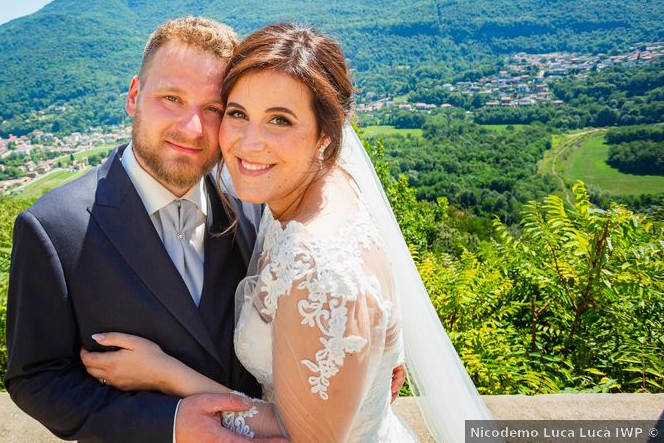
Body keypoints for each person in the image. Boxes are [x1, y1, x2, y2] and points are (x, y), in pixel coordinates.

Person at [80, 23, 493, 442]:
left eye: (280, 120)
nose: (248, 143)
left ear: (325, 136)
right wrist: (383, 350)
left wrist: (166, 374)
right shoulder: (329, 186)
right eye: (237, 113)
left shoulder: (317, 264)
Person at [5, 16, 285, 443]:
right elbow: (37, 380)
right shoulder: (54, 229)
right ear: (134, 96)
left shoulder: (252, 202)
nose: (191, 128)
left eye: (212, 109)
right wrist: (167, 423)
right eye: (171, 98)